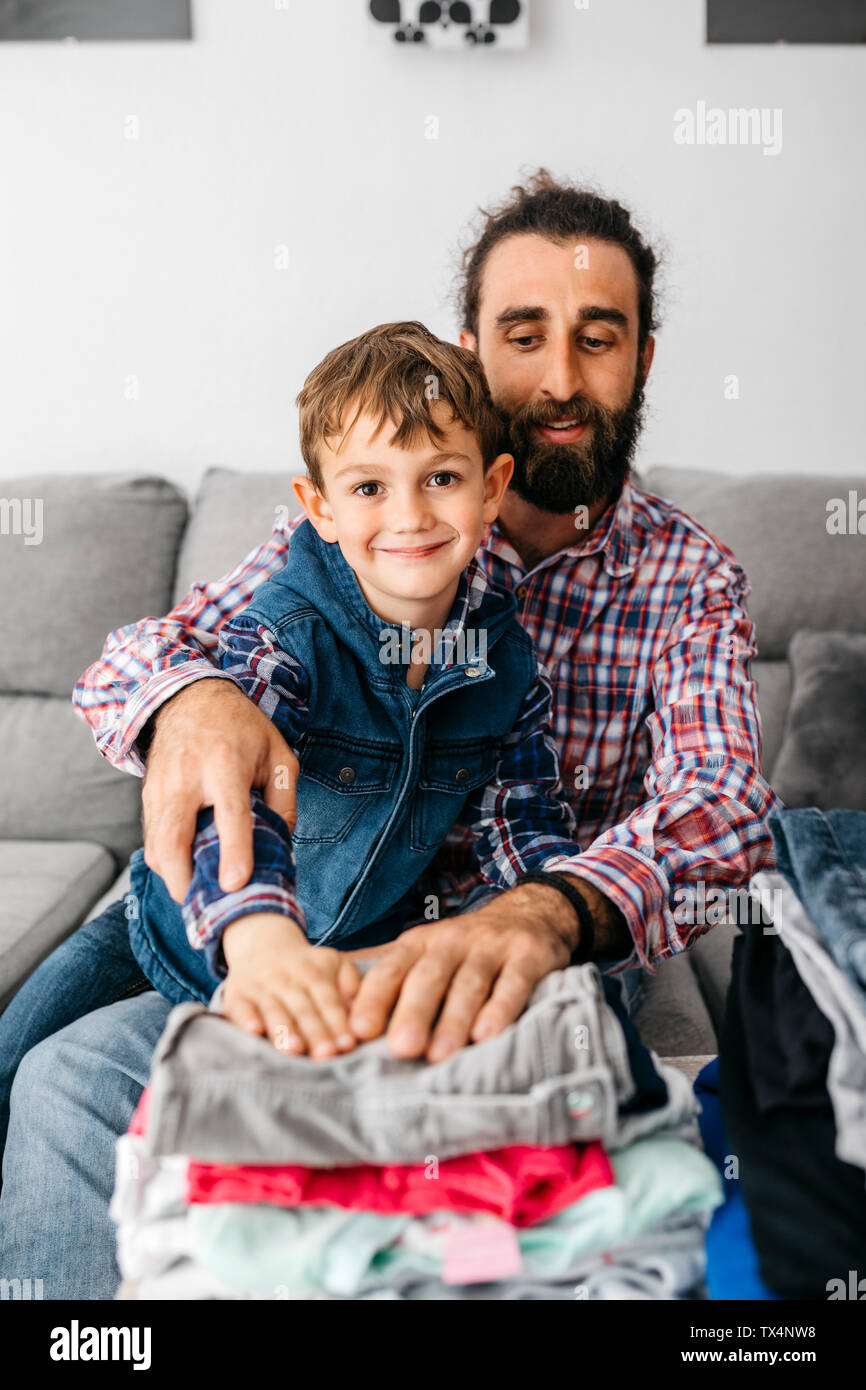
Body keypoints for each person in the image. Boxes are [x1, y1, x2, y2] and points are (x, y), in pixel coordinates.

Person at [0, 171, 779, 1298]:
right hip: (264, 900)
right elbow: (163, 657)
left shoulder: (685, 577)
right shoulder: (361, 527)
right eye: (525, 335)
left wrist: (544, 910)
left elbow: (719, 801)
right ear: (469, 352)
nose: (560, 376)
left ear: (641, 358)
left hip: (495, 943)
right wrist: (195, 699)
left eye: (597, 337)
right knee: (34, 1068)